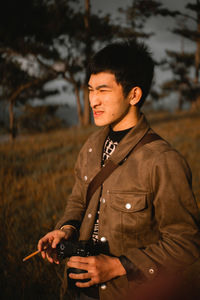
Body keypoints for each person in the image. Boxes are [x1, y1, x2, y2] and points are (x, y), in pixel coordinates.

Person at [38, 40, 200, 300]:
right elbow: (78, 200)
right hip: (78, 291)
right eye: (90, 90)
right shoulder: (92, 146)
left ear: (134, 95)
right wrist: (66, 229)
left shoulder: (162, 160)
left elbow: (186, 242)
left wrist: (118, 265)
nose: (93, 100)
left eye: (103, 90)